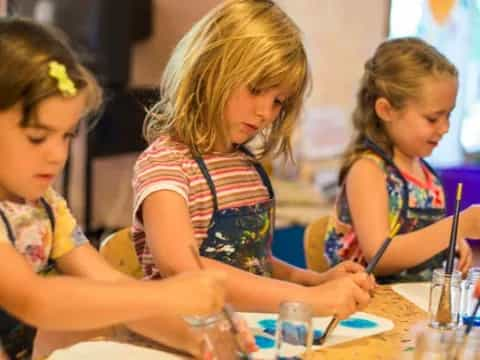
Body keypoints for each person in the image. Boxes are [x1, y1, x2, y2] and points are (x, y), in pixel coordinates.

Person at [0, 17, 238, 360]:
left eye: (66, 136)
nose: (57, 155)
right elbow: (35, 299)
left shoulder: (46, 208)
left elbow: (111, 287)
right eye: (37, 137)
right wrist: (169, 295)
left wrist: (196, 340)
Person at [132, 0, 375, 321]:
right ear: (209, 68)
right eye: (256, 89)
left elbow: (251, 263)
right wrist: (307, 298)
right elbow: (183, 268)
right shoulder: (167, 164)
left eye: (278, 101)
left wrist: (314, 281)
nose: (265, 113)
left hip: (249, 327)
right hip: (183, 334)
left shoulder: (244, 166)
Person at [324, 37, 480, 283]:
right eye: (432, 118)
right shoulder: (368, 170)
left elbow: (421, 239)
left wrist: (453, 244)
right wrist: (455, 227)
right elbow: (380, 256)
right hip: (365, 308)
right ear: (386, 110)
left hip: (411, 304)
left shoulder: (427, 176)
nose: (445, 128)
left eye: (448, 116)